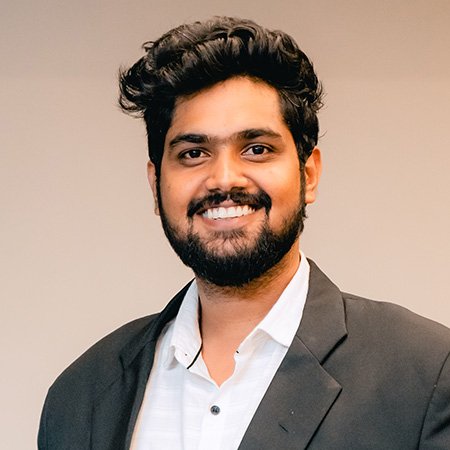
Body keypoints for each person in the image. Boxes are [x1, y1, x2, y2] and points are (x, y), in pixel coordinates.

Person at [38, 16, 450, 450]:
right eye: (193, 153)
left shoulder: (426, 377)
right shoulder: (81, 396)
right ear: (155, 185)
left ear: (309, 174)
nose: (223, 179)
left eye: (257, 149)